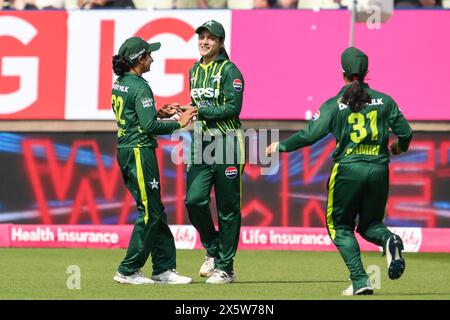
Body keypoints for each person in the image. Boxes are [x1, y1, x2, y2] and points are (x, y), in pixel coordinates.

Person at [266, 47, 412, 295]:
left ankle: (360, 279)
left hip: (347, 170)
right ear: (367, 72)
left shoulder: (335, 105)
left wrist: (280, 145)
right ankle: (389, 240)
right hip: (379, 170)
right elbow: (406, 133)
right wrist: (398, 147)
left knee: (340, 227)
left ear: (342, 72)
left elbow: (310, 135)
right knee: (370, 225)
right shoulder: (385, 101)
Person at [111, 36, 197, 285]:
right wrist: (178, 123)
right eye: (148, 54)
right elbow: (148, 126)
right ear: (138, 60)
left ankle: (163, 268)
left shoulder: (122, 83)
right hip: (139, 151)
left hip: (128, 149)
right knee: (149, 211)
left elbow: (138, 116)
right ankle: (128, 269)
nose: (152, 58)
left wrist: (158, 112)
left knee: (155, 210)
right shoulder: (140, 86)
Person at [181, 20, 245, 284]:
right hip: (200, 144)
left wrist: (198, 111)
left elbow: (233, 108)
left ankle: (226, 267)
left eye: (210, 38)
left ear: (220, 43)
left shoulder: (231, 71)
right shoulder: (194, 70)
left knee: (228, 208)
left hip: (228, 143)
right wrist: (182, 108)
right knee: (194, 200)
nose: (204, 42)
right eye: (201, 37)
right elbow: (196, 105)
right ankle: (213, 248)